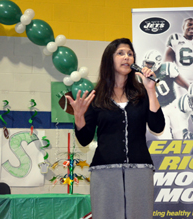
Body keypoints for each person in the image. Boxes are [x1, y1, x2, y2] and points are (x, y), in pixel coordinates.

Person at [66, 38, 165, 219]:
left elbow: (157, 126)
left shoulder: (141, 95)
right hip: (105, 171)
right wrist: (79, 116)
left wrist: (151, 90)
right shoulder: (95, 97)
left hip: (140, 170)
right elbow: (84, 139)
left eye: (130, 54)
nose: (126, 57)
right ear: (109, 59)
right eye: (120, 53)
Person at [141, 49, 189, 140]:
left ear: (157, 63)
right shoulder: (141, 74)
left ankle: (181, 153)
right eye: (146, 63)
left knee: (179, 133)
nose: (147, 66)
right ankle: (169, 154)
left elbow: (181, 82)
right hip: (158, 109)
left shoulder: (167, 68)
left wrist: (190, 90)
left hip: (172, 104)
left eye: (150, 63)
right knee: (164, 136)